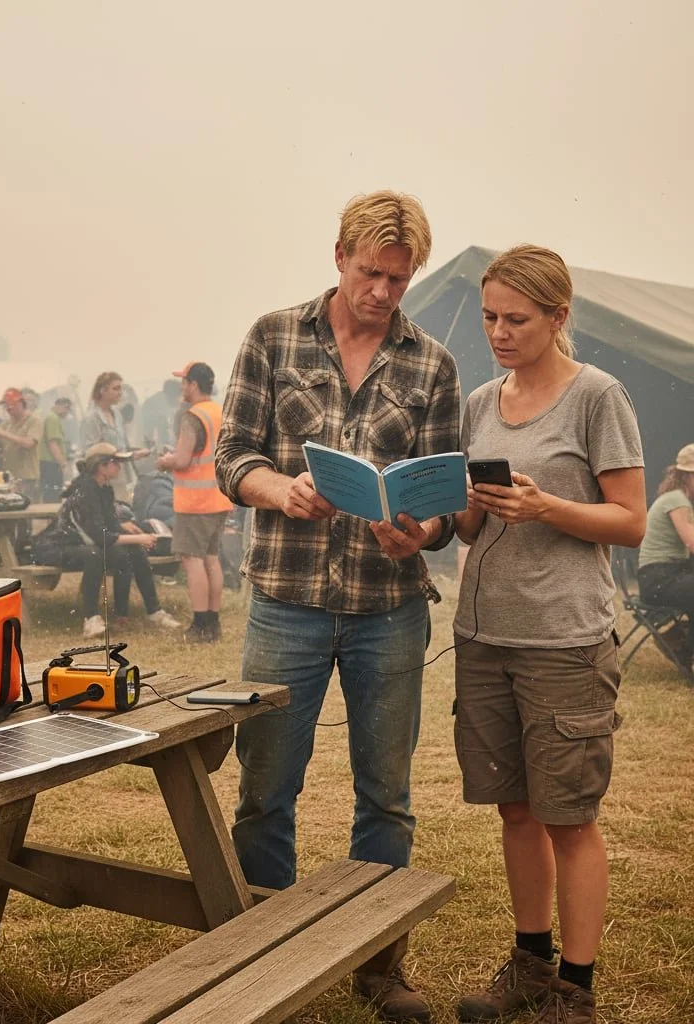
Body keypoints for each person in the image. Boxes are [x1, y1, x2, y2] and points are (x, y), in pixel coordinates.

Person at [215, 190, 460, 1022]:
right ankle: (261, 952)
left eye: (400, 278)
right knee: (264, 787)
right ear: (338, 256)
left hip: (388, 605)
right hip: (285, 598)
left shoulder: (433, 363)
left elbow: (448, 497)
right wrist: (279, 487)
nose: (385, 293)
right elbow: (230, 454)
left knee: (385, 795)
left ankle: (379, 964)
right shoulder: (272, 336)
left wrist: (421, 528)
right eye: (371, 273)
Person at [452, 245, 645, 1024]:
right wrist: (434, 510)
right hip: (484, 635)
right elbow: (472, 526)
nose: (499, 331)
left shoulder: (598, 396)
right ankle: (529, 964)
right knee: (517, 811)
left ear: (559, 317)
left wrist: (547, 508)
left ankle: (576, 989)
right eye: (492, 315)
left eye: (517, 319)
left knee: (569, 818)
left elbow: (628, 522)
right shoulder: (479, 402)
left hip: (565, 641)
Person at [32, 443, 182, 639]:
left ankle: (149, 612)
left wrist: (133, 535)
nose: (120, 466)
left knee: (133, 551)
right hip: (56, 546)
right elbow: (100, 537)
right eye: (116, 462)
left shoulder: (104, 489)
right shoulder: (85, 491)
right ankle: (91, 620)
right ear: (101, 466)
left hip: (82, 543)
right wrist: (138, 537)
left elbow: (111, 526)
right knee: (95, 555)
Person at [157, 361, 233, 643]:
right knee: (211, 559)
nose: (181, 387)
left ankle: (200, 624)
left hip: (195, 502)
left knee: (192, 560)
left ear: (193, 384)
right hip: (219, 497)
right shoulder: (218, 411)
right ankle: (213, 622)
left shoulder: (191, 416)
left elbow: (183, 459)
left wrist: (165, 461)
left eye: (184, 382)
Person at [636, 445, 694, 668]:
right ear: (686, 475)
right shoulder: (677, 500)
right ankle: (687, 653)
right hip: (659, 579)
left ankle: (678, 640)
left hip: (662, 577)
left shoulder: (678, 499)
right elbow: (692, 544)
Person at [80, 371, 149, 501]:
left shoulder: (117, 414)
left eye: (120, 389)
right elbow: (91, 453)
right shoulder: (91, 418)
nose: (120, 393)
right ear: (102, 391)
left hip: (120, 475)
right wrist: (125, 456)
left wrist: (133, 454)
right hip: (102, 479)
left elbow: (122, 445)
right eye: (115, 388)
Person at [0, 387, 43, 501]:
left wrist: (3, 434)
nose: (8, 408)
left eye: (11, 404)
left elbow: (29, 443)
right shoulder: (6, 423)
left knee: (24, 508)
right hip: (9, 475)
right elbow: (0, 448)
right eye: (6, 405)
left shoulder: (33, 421)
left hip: (26, 476)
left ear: (20, 403)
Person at [39, 396, 73, 501]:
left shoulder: (50, 418)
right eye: (67, 408)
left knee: (51, 494)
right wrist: (63, 464)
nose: (67, 412)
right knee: (53, 496)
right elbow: (52, 443)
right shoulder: (52, 418)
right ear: (61, 406)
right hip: (51, 464)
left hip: (47, 463)